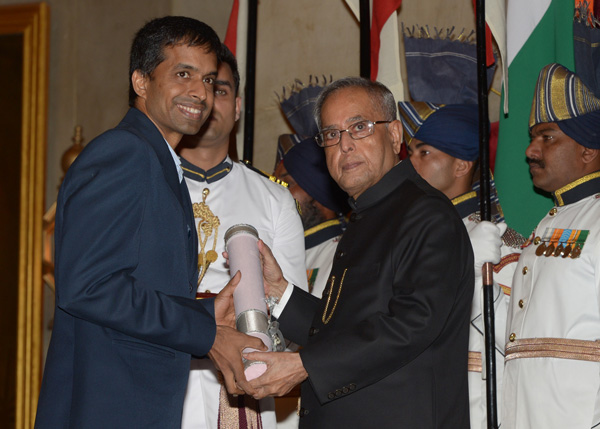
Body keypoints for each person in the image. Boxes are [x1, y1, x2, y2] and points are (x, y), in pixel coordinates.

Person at [34, 17, 266, 429]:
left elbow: (133, 285)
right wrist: (206, 332)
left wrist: (210, 312)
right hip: (107, 408)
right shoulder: (125, 153)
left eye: (210, 80)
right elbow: (89, 286)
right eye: (183, 74)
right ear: (141, 82)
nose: (200, 92)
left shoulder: (158, 162)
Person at [246, 77, 474, 428]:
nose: (345, 145)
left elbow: (411, 324)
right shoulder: (368, 214)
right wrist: (280, 292)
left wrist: (304, 365)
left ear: (395, 135)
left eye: (360, 127)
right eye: (332, 135)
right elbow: (344, 331)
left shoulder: (426, 214)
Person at [177, 44, 308, 429]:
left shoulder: (274, 199)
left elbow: (292, 311)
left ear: (237, 107)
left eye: (221, 90)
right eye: (201, 86)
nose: (209, 99)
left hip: (242, 384)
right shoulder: (149, 183)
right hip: (161, 373)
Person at [398, 102, 525, 428]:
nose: (409, 164)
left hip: (468, 408)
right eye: (410, 152)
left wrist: (469, 273)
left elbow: (516, 335)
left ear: (461, 166)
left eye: (423, 153)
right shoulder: (404, 237)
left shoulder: (499, 238)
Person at [502, 63, 600, 428]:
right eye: (533, 137)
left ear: (588, 148)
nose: (530, 150)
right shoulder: (548, 225)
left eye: (547, 137)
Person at [274, 138, 348, 297]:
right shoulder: (279, 251)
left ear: (317, 191)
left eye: (286, 184)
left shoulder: (345, 256)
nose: (276, 194)